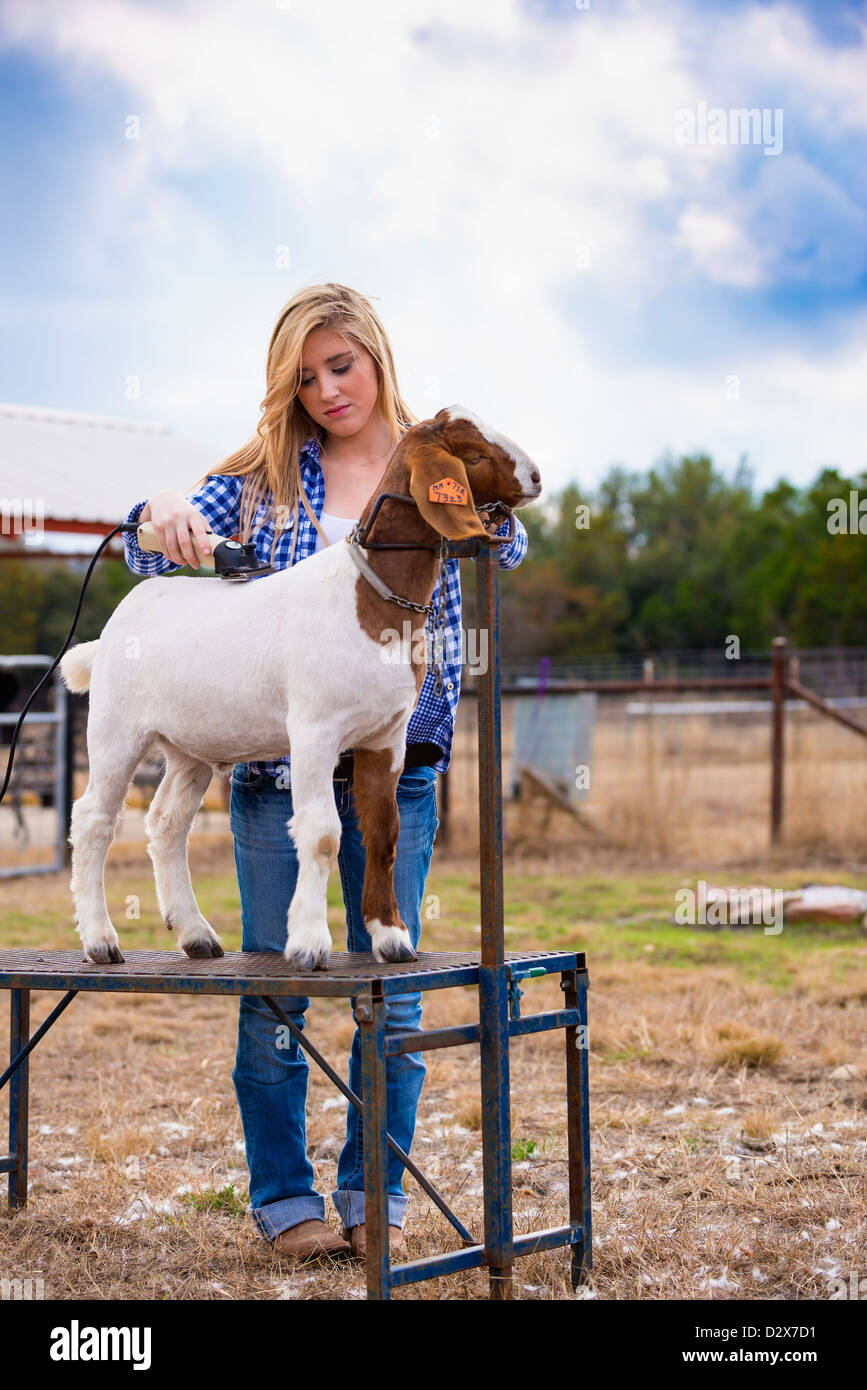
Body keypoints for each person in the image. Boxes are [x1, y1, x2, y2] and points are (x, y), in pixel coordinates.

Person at [121, 281, 529, 1262]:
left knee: (393, 988)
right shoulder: (265, 479)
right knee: (275, 990)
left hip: (401, 768)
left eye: (340, 365)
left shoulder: (428, 465)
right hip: (275, 778)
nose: (326, 390)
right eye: (305, 377)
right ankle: (284, 1197)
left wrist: (468, 493)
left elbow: (506, 538)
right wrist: (161, 511)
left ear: (376, 355)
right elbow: (144, 547)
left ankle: (372, 1192)